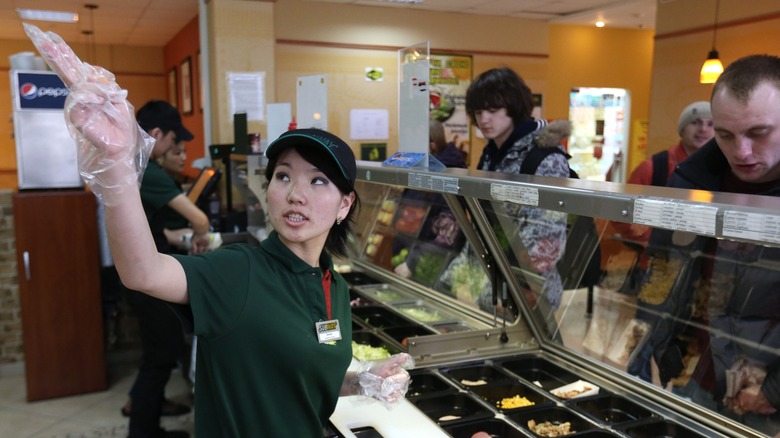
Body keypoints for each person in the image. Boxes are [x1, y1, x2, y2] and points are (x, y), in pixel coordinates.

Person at [27, 24, 413, 437]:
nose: (296, 193)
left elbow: (305, 377)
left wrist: (361, 381)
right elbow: (142, 270)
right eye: (283, 177)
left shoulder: (332, 285)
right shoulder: (238, 272)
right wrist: (118, 164)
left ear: (345, 205)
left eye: (318, 181)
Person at [644, 54, 780, 436]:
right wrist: (663, 340)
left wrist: (774, 390)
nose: (741, 152)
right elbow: (666, 269)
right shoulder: (691, 180)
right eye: (725, 135)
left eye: (758, 133)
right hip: (698, 379)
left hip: (767, 400)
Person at [121, 100, 209, 438]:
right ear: (156, 134)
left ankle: (148, 419)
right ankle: (143, 431)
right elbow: (198, 218)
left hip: (138, 269)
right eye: (175, 140)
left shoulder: (135, 166)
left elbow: (152, 226)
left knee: (160, 351)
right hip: (146, 278)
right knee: (160, 356)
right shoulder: (151, 171)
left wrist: (171, 236)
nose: (177, 148)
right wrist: (201, 235)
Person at [465, 67, 571, 311]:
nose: (484, 119)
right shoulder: (491, 154)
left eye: (493, 110)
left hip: (529, 295)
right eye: (479, 111)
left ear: (513, 107)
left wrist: (519, 289)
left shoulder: (545, 158)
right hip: (492, 285)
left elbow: (547, 235)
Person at [620, 101, 714, 242]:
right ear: (682, 129)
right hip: (659, 260)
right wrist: (656, 239)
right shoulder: (654, 167)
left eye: (711, 124)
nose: (703, 129)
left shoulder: (726, 169)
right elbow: (622, 213)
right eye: (695, 122)